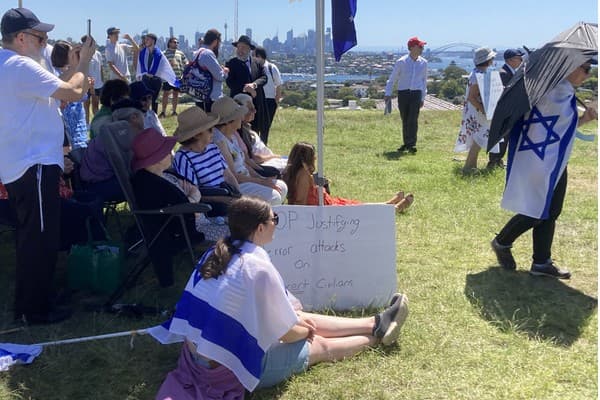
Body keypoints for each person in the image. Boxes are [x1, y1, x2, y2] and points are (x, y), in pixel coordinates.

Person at [151, 196, 409, 397]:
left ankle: (376, 323)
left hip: (196, 357)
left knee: (298, 319)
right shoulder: (257, 267)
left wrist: (296, 324)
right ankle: (375, 338)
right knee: (317, 345)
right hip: (228, 371)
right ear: (261, 227)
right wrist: (303, 332)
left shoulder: (215, 253)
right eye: (275, 218)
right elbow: (287, 333)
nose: (276, 223)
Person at [0, 7, 95, 324]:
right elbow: (74, 91)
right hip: (34, 164)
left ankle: (36, 298)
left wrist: (74, 73)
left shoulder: (12, 66)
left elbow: (57, 89)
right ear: (22, 38)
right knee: (39, 238)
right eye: (41, 37)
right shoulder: (19, 66)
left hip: (25, 164)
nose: (46, 43)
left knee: (33, 234)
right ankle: (33, 309)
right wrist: (83, 63)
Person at [490, 61, 597, 279]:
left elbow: (561, 126)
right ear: (570, 67)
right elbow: (560, 121)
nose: (588, 75)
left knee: (551, 209)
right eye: (585, 69)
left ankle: (541, 261)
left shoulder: (560, 89)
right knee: (539, 208)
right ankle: (503, 241)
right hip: (541, 159)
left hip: (551, 158)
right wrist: (586, 113)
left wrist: (586, 116)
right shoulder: (554, 91)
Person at [130, 128, 229, 287]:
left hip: (196, 219)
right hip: (188, 230)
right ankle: (225, 280)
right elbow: (191, 210)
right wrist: (194, 197)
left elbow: (191, 191)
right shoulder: (153, 186)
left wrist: (192, 196)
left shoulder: (165, 174)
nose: (171, 154)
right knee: (237, 234)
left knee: (238, 222)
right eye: (166, 152)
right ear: (156, 159)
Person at [283, 142, 414, 212]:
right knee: (358, 210)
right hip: (321, 211)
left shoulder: (293, 171)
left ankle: (388, 204)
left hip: (324, 204)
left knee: (356, 205)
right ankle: (395, 209)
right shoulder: (303, 175)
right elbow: (301, 203)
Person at [211, 96, 288, 205]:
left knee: (281, 186)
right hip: (235, 185)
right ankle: (263, 220)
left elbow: (244, 164)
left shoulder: (231, 135)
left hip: (245, 179)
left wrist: (261, 178)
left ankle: (269, 219)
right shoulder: (219, 141)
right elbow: (233, 176)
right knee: (273, 196)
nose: (242, 118)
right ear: (229, 121)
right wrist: (262, 182)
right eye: (239, 115)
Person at [173, 107, 241, 217]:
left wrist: (238, 195)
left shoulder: (213, 147)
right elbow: (193, 192)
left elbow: (228, 176)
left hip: (227, 195)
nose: (213, 132)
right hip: (209, 204)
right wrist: (228, 201)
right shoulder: (183, 157)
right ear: (196, 135)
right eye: (209, 129)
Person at [79, 98, 145, 202]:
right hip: (100, 186)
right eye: (143, 114)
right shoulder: (121, 137)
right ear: (134, 117)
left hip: (101, 183)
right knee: (147, 182)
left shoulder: (112, 133)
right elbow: (130, 168)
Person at [454, 47, 500, 173]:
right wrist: (484, 110)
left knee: (478, 138)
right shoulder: (478, 74)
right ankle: (469, 167)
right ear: (488, 60)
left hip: (477, 110)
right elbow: (472, 97)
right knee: (479, 138)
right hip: (479, 111)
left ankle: (471, 166)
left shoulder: (478, 72)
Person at [384, 36, 428, 154]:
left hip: (416, 93)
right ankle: (407, 143)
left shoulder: (424, 63)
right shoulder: (401, 62)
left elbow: (424, 81)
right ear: (412, 47)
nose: (422, 48)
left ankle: (411, 144)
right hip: (403, 93)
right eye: (420, 46)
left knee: (413, 119)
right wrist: (388, 93)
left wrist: (423, 97)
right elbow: (392, 79)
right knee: (405, 118)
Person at [225, 35, 269, 143]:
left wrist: (254, 85)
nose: (240, 50)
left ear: (249, 49)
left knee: (254, 129)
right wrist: (246, 88)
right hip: (239, 104)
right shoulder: (231, 63)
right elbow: (230, 82)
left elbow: (264, 77)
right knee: (240, 130)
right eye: (238, 47)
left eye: (243, 47)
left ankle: (254, 150)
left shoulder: (257, 63)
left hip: (255, 102)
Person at [487, 48, 525, 169]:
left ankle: (497, 160)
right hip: (505, 111)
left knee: (504, 137)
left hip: (508, 111)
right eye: (519, 58)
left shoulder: (508, 72)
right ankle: (494, 160)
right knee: (502, 137)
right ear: (511, 60)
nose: (521, 60)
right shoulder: (504, 73)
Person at [51, 40, 89, 158]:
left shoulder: (73, 72)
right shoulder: (55, 74)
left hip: (78, 124)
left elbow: (82, 96)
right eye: (72, 52)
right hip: (67, 128)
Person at [234, 93, 288, 173]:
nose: (255, 111)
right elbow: (253, 158)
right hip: (264, 162)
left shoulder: (246, 129)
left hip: (268, 160)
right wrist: (275, 156)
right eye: (251, 109)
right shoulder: (239, 133)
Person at [136, 33, 175, 114]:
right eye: (145, 39)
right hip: (146, 78)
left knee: (154, 99)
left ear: (153, 41)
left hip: (156, 79)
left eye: (147, 39)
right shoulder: (143, 53)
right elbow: (139, 65)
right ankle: (145, 116)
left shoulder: (159, 54)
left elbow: (164, 66)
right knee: (145, 98)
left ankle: (154, 116)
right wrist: (139, 75)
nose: (145, 41)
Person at [193, 29, 228, 112]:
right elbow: (219, 76)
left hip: (199, 95)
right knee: (212, 122)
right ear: (215, 41)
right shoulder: (207, 54)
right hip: (210, 97)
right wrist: (225, 72)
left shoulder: (197, 53)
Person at [253, 46, 283, 143]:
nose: (253, 58)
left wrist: (276, 101)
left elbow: (278, 85)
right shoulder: (254, 68)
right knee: (255, 127)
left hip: (269, 101)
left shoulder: (271, 67)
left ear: (260, 56)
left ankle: (264, 147)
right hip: (257, 100)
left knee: (265, 128)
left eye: (255, 55)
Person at [159, 37, 187, 117]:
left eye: (177, 42)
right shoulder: (164, 53)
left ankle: (174, 111)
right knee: (165, 94)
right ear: (170, 43)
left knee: (176, 94)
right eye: (174, 42)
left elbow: (186, 62)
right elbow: (160, 65)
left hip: (178, 77)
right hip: (168, 77)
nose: (176, 44)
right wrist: (168, 65)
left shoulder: (180, 53)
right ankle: (163, 112)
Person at [81, 34, 104, 125]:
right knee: (86, 105)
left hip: (98, 84)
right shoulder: (83, 54)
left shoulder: (98, 54)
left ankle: (96, 124)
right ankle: (87, 124)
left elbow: (101, 68)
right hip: (87, 84)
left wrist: (102, 81)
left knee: (96, 105)